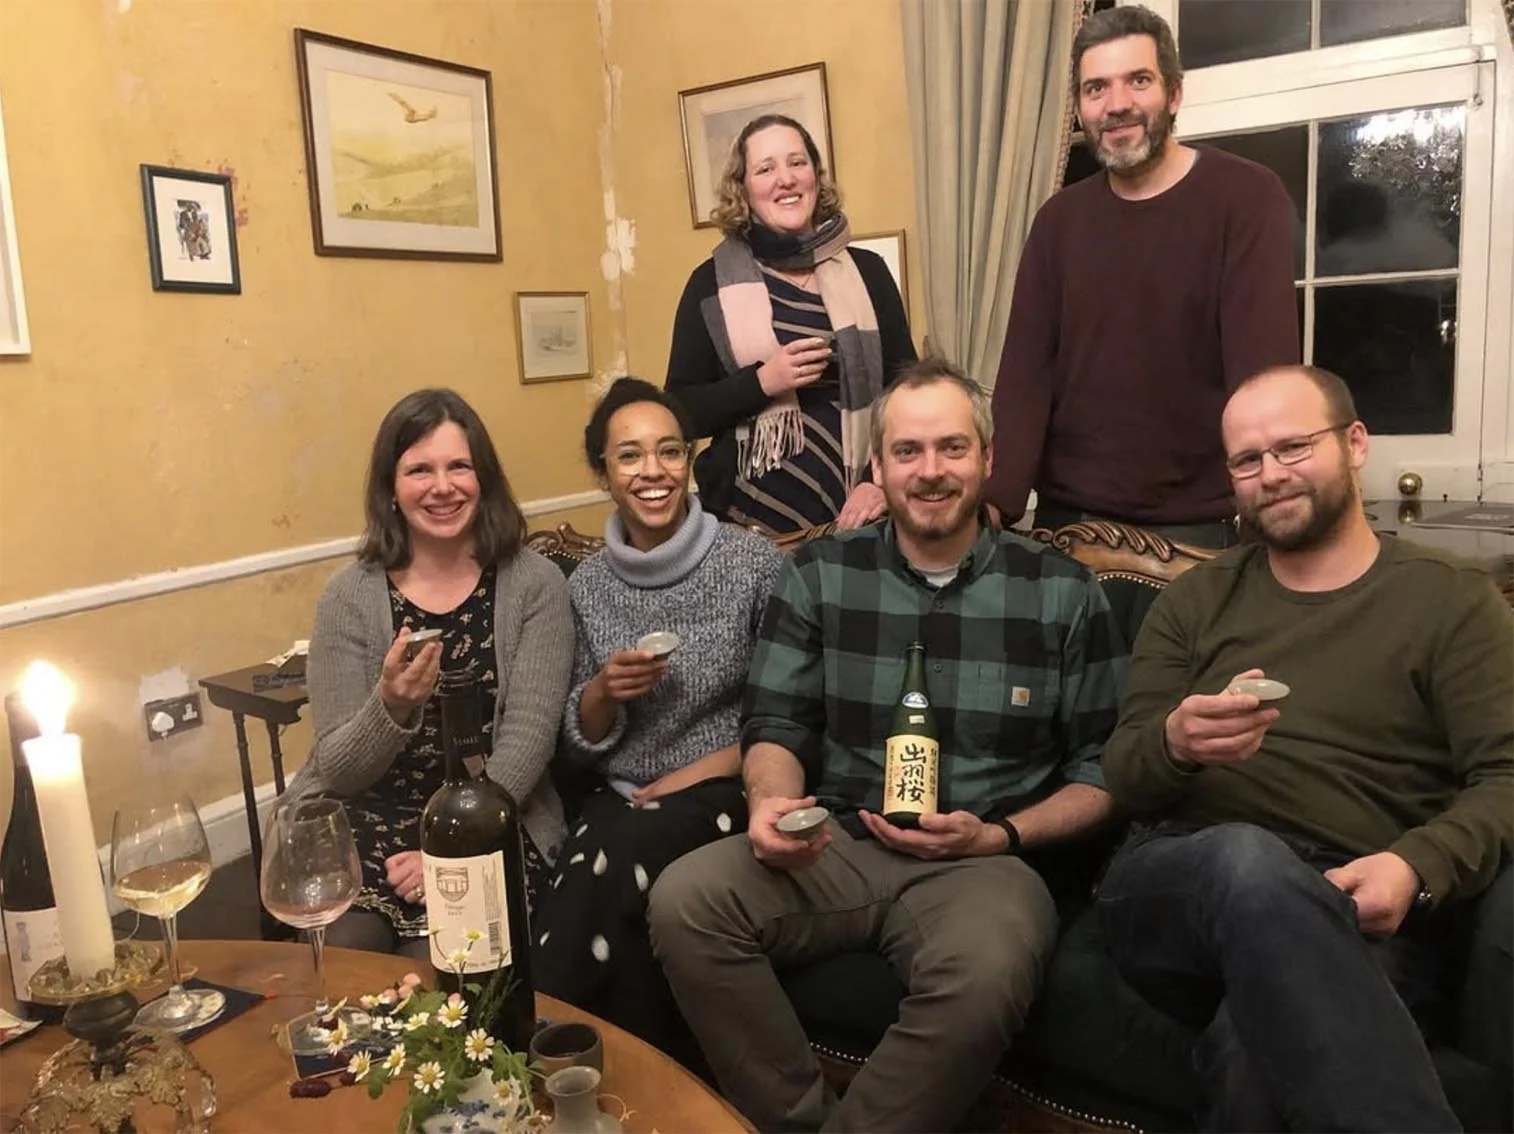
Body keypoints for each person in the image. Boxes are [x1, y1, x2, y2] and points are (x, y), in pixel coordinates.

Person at [648, 358, 1128, 1132]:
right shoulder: (819, 575)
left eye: (952, 448)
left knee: (987, 969)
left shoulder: (1061, 591)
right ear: (877, 465)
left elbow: (1108, 770)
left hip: (986, 860)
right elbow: (774, 723)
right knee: (684, 901)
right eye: (908, 451)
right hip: (837, 842)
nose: (930, 471)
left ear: (988, 459)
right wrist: (771, 803)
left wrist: (1001, 834)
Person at [1098, 364, 1513, 1130]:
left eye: (1293, 447)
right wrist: (1176, 741)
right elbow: (1125, 775)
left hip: (1359, 898)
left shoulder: (1450, 600)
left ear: (1355, 444)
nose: (1272, 476)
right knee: (1249, 859)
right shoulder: (1195, 600)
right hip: (1180, 878)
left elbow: (1505, 776)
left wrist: (1414, 865)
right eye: (1247, 461)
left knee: (1253, 1059)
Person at [531, 377, 783, 1057]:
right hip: (625, 797)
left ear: (691, 460)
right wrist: (606, 692)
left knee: (623, 856)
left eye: (669, 452)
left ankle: (547, 1053)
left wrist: (694, 773)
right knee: (589, 870)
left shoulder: (752, 563)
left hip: (726, 784)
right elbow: (575, 742)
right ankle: (614, 1077)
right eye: (630, 457)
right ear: (605, 474)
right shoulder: (584, 585)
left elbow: (788, 713)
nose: (653, 472)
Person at [985, 4, 1299, 547]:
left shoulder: (1246, 198)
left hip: (1202, 531)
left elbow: (1264, 382)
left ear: (1174, 94)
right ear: (1080, 107)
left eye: (1138, 81)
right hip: (1070, 528)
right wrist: (991, 507)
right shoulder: (1058, 220)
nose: (1117, 105)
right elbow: (1024, 378)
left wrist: (1266, 526)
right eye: (1096, 88)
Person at [286, 388, 574, 959]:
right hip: (366, 815)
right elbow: (340, 771)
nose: (442, 487)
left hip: (493, 818)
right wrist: (389, 705)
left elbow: (528, 741)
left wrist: (449, 845)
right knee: (349, 963)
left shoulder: (535, 585)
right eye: (419, 470)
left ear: (483, 479)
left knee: (446, 972)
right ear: (391, 490)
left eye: (458, 466)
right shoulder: (348, 597)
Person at [664, 113, 917, 536]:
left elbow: (907, 394)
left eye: (797, 163)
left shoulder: (868, 272)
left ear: (816, 176)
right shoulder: (708, 284)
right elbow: (679, 414)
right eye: (766, 168)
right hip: (746, 529)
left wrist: (880, 484)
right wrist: (762, 382)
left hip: (863, 519)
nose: (785, 179)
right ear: (742, 188)